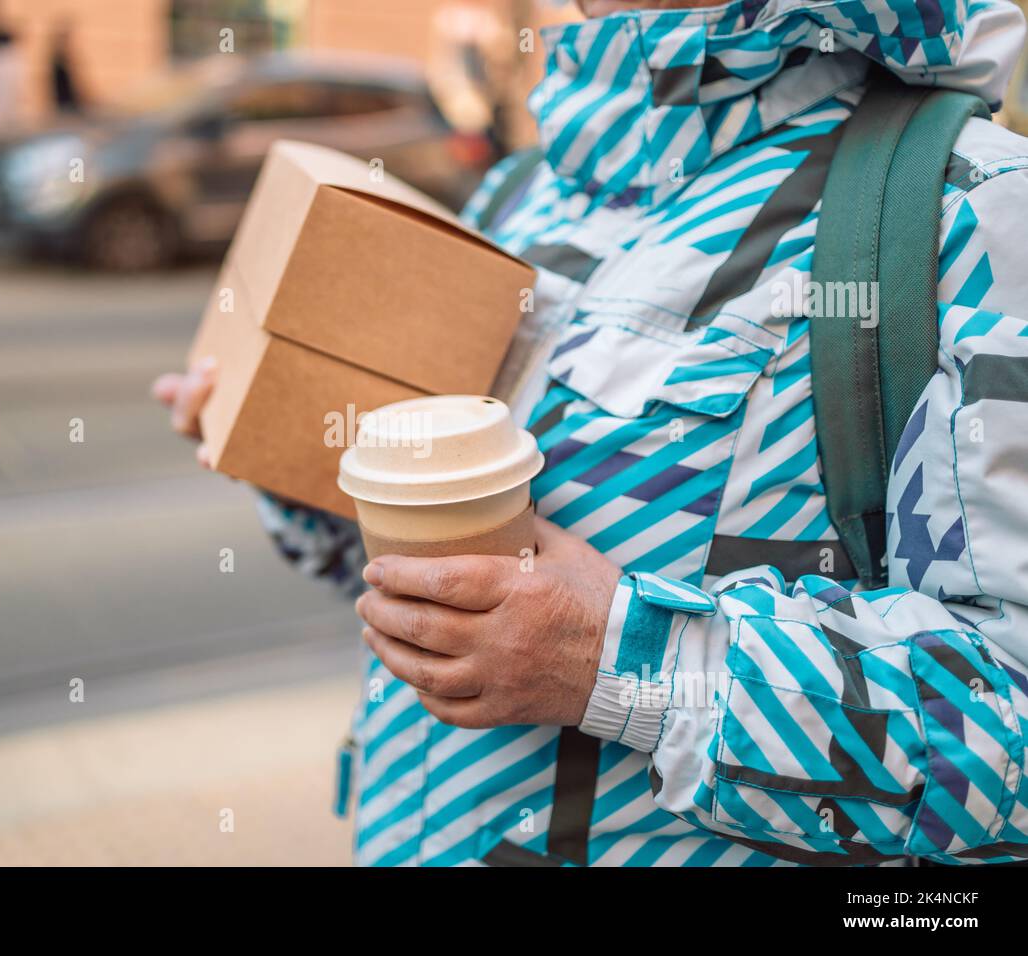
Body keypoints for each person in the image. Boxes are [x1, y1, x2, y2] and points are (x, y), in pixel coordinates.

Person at [156, 0, 1028, 866]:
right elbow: (437, 595)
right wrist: (290, 453)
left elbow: (1011, 737)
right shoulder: (519, 193)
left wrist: (625, 661)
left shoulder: (976, 208)